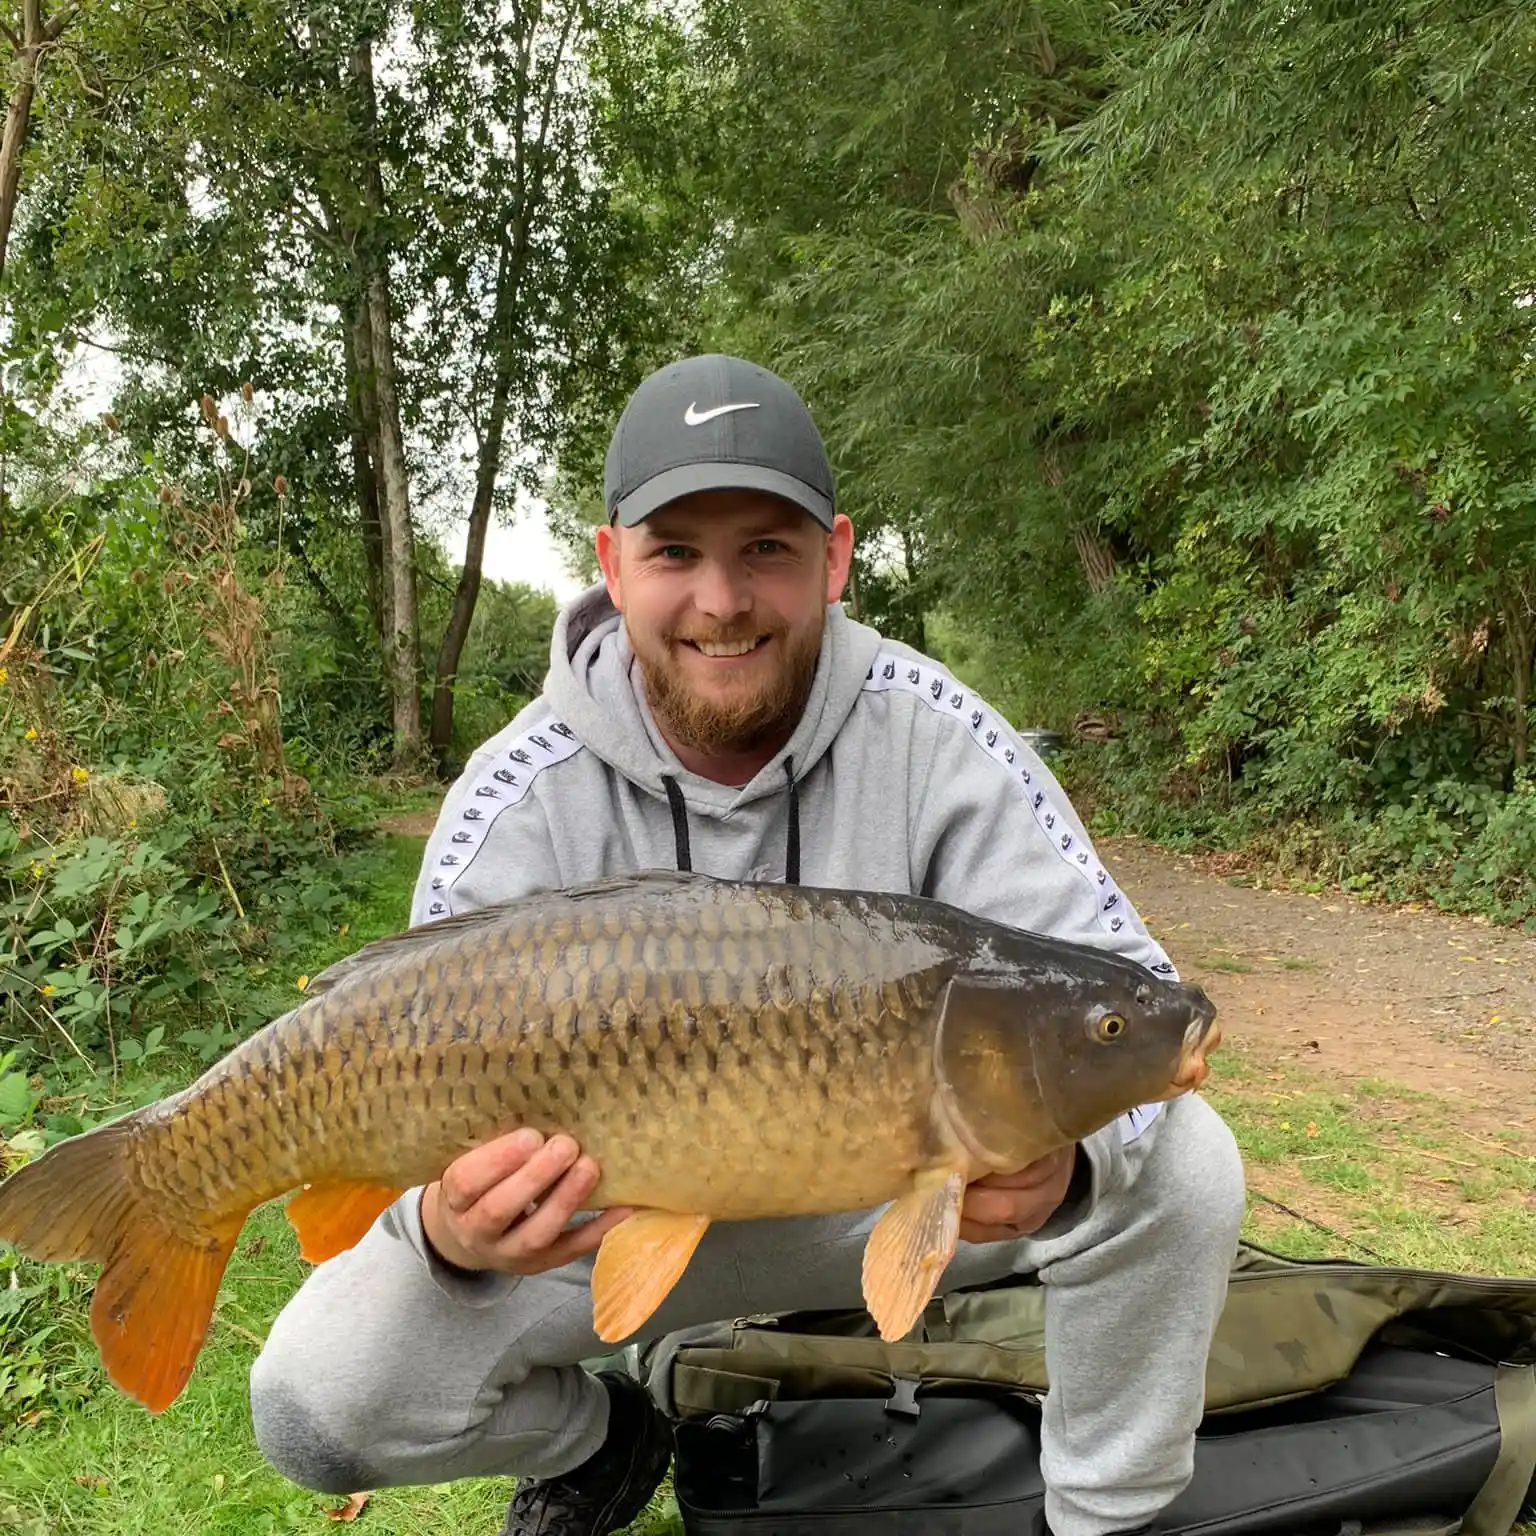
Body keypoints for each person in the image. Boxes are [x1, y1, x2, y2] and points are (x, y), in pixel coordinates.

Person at [249, 353, 1246, 1536]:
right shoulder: (521, 792)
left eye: (766, 548)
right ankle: (606, 1442)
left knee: (1181, 1164)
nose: (723, 600)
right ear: (613, 564)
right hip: (596, 1224)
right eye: (676, 553)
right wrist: (455, 1232)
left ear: (834, 556)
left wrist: (1065, 1170)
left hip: (875, 1194)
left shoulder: (941, 737)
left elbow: (1106, 967)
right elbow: (411, 1089)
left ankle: (1110, 1518)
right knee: (314, 1401)